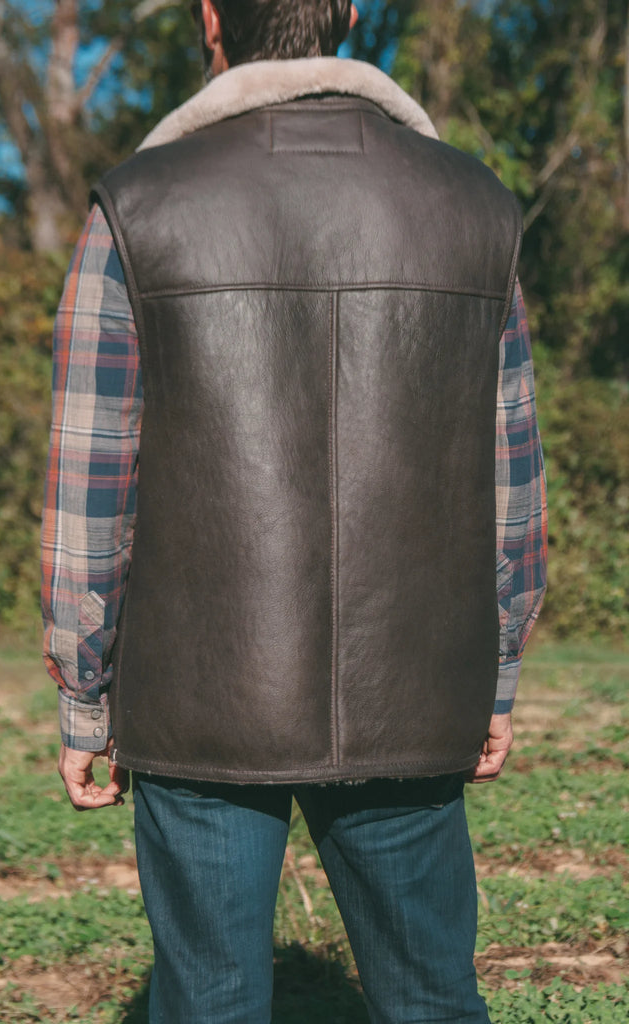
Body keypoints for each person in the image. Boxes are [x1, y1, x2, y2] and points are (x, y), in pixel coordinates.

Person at [41, 1, 547, 1021]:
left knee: (211, 1004)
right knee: (432, 1001)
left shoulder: (136, 205)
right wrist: (495, 675)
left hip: (199, 700)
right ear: (349, 11)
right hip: (410, 687)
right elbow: (510, 477)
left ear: (210, 15)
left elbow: (92, 476)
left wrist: (83, 693)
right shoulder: (475, 206)